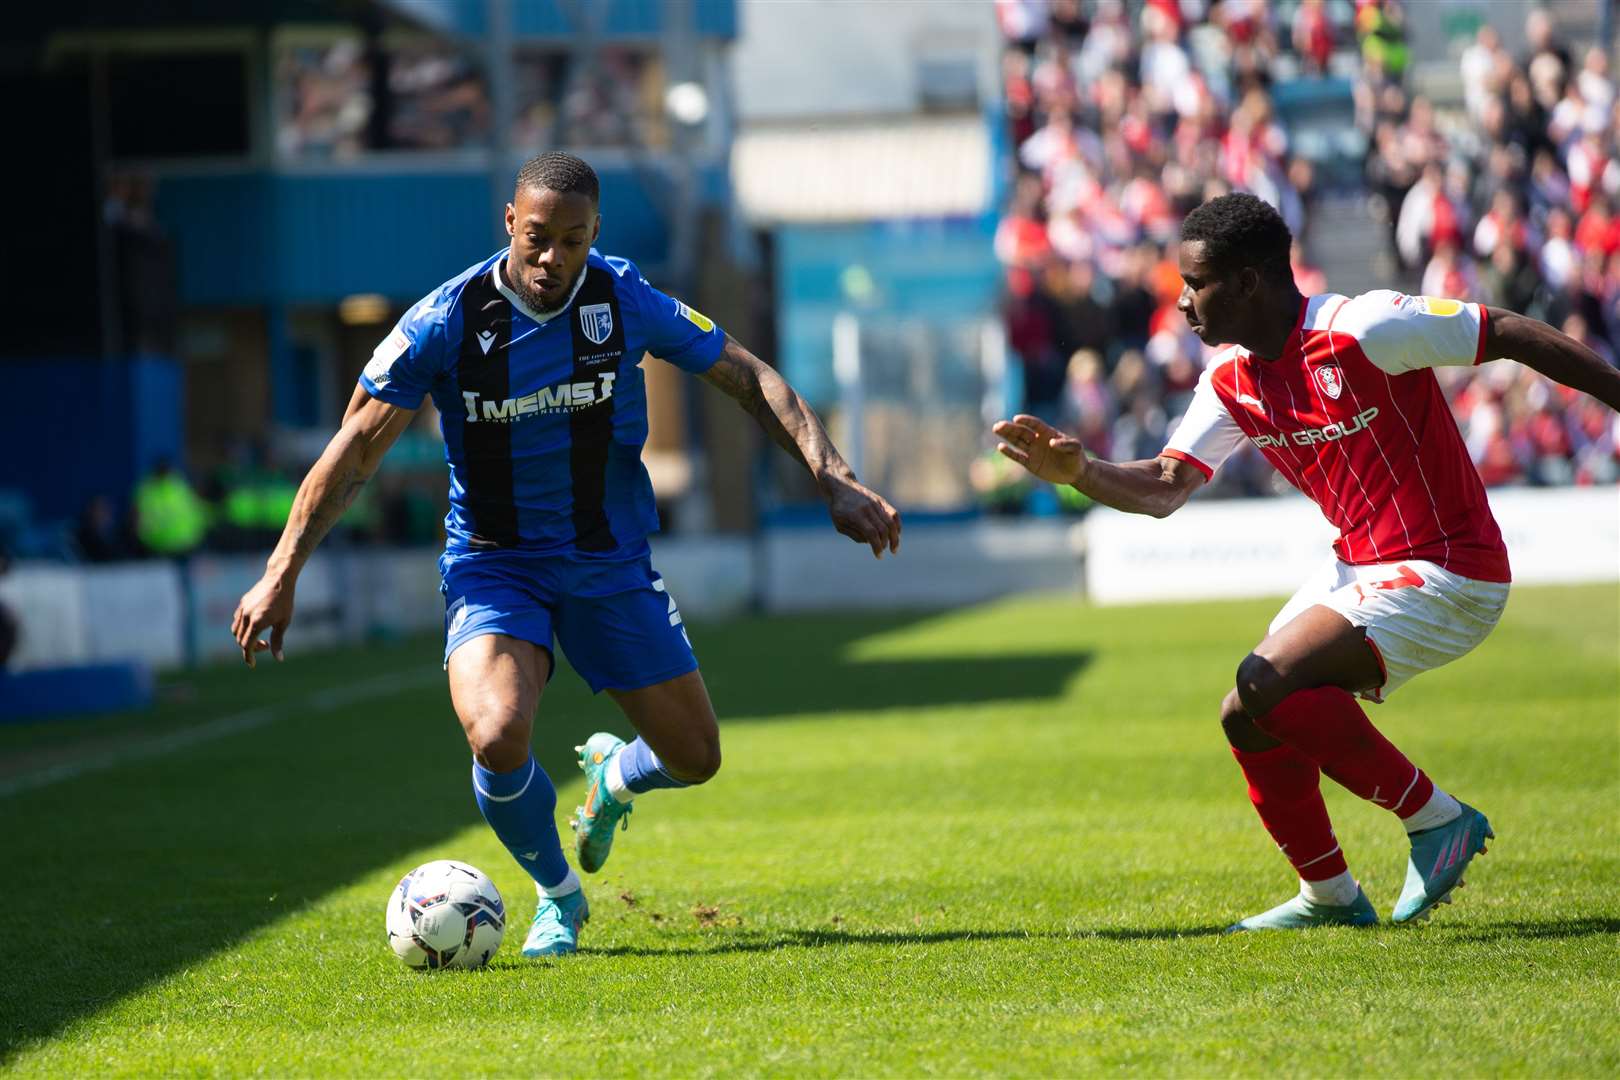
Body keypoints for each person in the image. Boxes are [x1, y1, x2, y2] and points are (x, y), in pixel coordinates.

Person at [232, 152, 901, 957]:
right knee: (496, 733)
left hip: (607, 561)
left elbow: (748, 377)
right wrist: (282, 570)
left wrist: (835, 479)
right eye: (539, 238)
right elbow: (355, 452)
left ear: (595, 236)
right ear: (510, 224)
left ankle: (614, 781)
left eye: (574, 241)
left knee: (697, 757)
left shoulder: (624, 298)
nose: (553, 258)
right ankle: (559, 896)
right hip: (495, 562)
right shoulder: (445, 321)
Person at [993, 193, 1620, 931]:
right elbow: (1165, 487)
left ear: (1250, 282)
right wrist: (1083, 472)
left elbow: (1509, 331)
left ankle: (1434, 819)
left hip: (1453, 569)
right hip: (1362, 566)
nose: (1185, 303)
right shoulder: (1231, 379)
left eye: (1197, 284)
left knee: (1265, 681)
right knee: (1246, 716)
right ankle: (1329, 895)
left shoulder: (1365, 328)